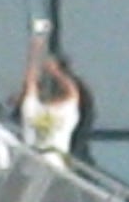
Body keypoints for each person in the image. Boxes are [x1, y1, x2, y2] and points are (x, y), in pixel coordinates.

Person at [17, 23, 94, 162]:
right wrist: (55, 71)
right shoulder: (65, 111)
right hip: (50, 162)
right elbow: (72, 92)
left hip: (34, 161)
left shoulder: (34, 108)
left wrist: (36, 48)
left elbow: (30, 81)